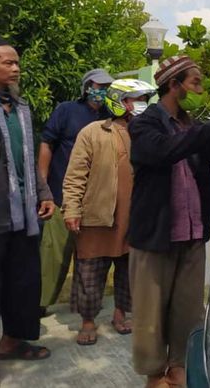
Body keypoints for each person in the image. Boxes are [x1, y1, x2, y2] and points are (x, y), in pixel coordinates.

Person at [127, 55, 210, 388]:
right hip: (157, 236)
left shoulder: (192, 127)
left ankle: (179, 365)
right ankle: (154, 372)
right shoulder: (144, 125)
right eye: (195, 82)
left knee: (187, 311)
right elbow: (164, 152)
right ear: (174, 85)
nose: (201, 89)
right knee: (151, 313)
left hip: (192, 233)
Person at [62, 79, 156, 346]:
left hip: (133, 218)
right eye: (133, 99)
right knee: (89, 272)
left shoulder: (145, 133)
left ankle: (120, 313)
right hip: (97, 218)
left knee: (128, 272)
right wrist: (71, 208)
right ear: (118, 102)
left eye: (141, 99)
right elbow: (75, 175)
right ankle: (88, 321)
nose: (138, 105)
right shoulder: (92, 132)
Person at [0, 36, 55, 361]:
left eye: (17, 62)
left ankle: (10, 342)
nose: (16, 68)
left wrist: (44, 193)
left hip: (23, 214)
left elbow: (28, 157)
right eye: (8, 62)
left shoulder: (20, 108)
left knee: (21, 282)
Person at [38, 68, 113, 313]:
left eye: (105, 87)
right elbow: (47, 144)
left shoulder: (109, 116)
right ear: (86, 87)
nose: (101, 91)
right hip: (61, 197)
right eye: (97, 85)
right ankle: (38, 305)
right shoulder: (66, 110)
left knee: (90, 258)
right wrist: (43, 186)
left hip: (94, 203)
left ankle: (84, 306)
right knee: (54, 257)